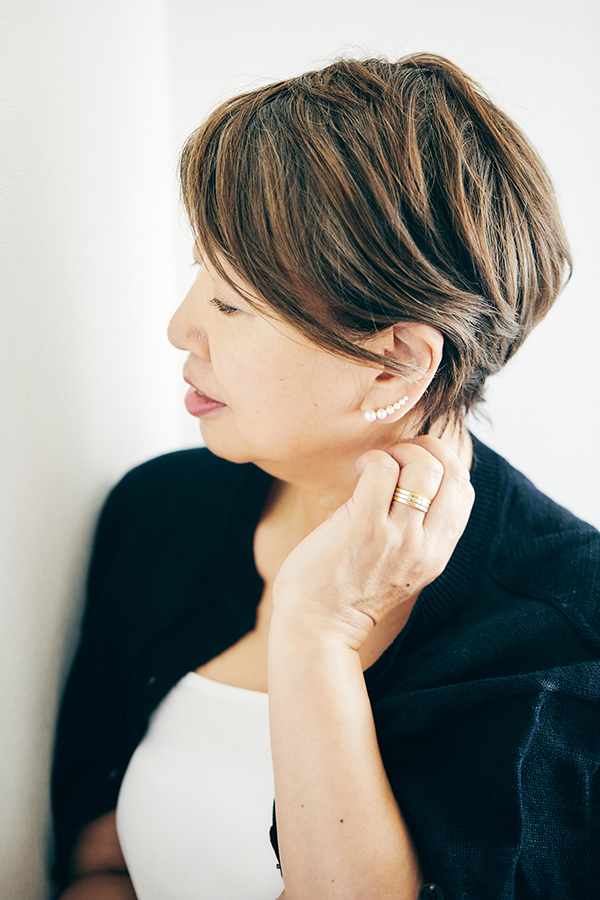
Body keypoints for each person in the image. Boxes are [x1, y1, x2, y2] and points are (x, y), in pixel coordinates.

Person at [51, 53, 600, 900]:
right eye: (199, 272)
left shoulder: (565, 625)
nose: (180, 327)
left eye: (232, 303)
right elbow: (100, 866)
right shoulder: (159, 510)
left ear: (393, 364)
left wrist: (318, 634)